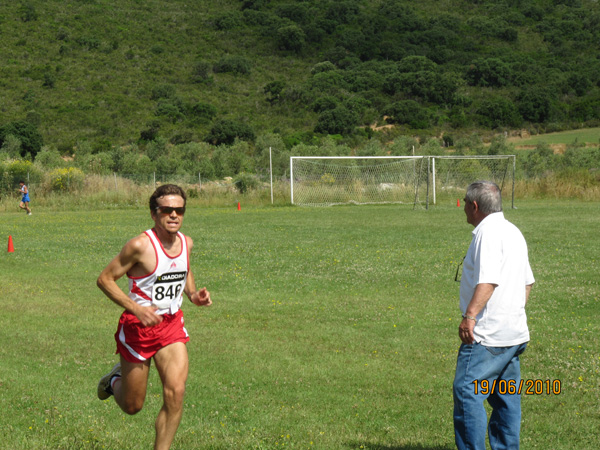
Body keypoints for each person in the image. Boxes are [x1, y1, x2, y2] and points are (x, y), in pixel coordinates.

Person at [96, 184, 212, 450]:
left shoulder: (186, 242)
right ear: (153, 213)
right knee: (133, 405)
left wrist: (193, 295)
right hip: (138, 328)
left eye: (179, 210)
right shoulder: (139, 245)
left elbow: (184, 270)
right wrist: (136, 309)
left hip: (170, 326)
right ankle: (115, 381)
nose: (173, 215)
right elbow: (105, 279)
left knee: (176, 393)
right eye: (166, 210)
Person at [453, 181, 535, 450]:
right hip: (513, 335)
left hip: (487, 338)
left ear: (474, 206)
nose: (463, 206)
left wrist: (470, 316)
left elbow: (488, 281)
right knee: (506, 398)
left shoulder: (486, 234)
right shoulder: (513, 231)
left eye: (465, 202)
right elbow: (527, 283)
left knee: (468, 393)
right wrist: (512, 314)